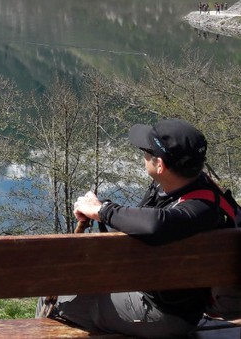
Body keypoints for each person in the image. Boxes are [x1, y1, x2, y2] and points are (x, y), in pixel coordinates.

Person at [44, 118, 232, 338]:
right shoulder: (189, 189)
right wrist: (100, 209)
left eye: (146, 152)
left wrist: (102, 211)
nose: (143, 155)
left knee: (56, 297)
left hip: (167, 315)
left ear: (160, 165)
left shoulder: (201, 209)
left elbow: (155, 224)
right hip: (164, 299)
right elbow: (145, 222)